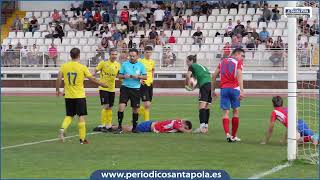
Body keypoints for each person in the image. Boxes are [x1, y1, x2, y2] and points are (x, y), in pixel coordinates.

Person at [56, 48, 108, 144]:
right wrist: (101, 84)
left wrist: (57, 90)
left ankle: (62, 129)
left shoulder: (64, 66)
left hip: (68, 96)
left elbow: (59, 78)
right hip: (79, 95)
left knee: (69, 115)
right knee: (81, 116)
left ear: (70, 55)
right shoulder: (82, 67)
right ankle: (82, 139)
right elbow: (92, 79)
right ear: (79, 55)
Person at [212, 48, 245, 142]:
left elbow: (214, 76)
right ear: (236, 54)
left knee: (226, 113)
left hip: (224, 89)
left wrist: (212, 90)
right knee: (236, 112)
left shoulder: (222, 62)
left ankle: (227, 134)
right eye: (242, 56)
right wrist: (242, 90)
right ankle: (234, 136)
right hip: (235, 89)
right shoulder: (238, 63)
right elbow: (239, 75)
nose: (242, 58)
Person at [115, 48, 147, 133]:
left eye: (134, 56)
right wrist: (124, 76)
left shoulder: (141, 65)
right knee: (121, 107)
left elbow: (145, 76)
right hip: (125, 88)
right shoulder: (125, 64)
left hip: (136, 89)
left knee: (135, 108)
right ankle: (119, 126)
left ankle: (134, 128)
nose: (132, 57)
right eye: (131, 56)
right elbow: (119, 75)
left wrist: (138, 76)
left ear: (137, 56)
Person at [93, 48, 121, 132]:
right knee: (105, 106)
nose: (114, 56)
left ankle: (109, 125)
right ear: (109, 54)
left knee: (110, 107)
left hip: (112, 89)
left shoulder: (118, 65)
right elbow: (94, 71)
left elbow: (119, 76)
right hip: (103, 88)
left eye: (115, 54)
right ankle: (103, 124)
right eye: (112, 54)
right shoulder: (103, 63)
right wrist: (90, 77)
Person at [185, 55, 212, 133]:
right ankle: (206, 127)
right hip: (210, 84)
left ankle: (201, 127)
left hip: (204, 85)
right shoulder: (202, 66)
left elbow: (187, 76)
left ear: (191, 61)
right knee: (206, 106)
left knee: (201, 106)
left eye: (187, 61)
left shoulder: (192, 66)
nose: (187, 63)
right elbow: (202, 79)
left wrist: (187, 84)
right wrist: (193, 88)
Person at [138, 46, 155, 121]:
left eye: (150, 52)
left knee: (148, 105)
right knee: (146, 104)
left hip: (150, 84)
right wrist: (140, 79)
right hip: (143, 84)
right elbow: (137, 71)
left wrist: (152, 78)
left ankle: (137, 114)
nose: (148, 54)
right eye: (147, 52)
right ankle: (146, 122)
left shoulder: (152, 62)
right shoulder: (140, 61)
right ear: (144, 52)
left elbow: (153, 70)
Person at [109, 119, 192, 133]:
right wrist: (190, 131)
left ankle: (113, 126)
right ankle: (111, 127)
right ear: (184, 123)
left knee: (132, 127)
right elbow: (181, 129)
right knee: (130, 129)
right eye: (185, 127)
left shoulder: (178, 122)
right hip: (150, 126)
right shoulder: (178, 123)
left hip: (151, 125)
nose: (184, 129)